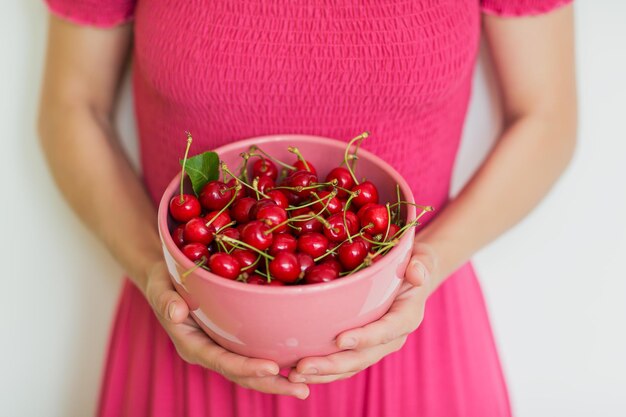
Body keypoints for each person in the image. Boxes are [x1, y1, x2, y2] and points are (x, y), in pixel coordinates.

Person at [38, 0, 576, 416]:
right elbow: (71, 106)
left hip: (409, 330)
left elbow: (546, 116)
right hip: (187, 333)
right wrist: (154, 271)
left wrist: (423, 267)